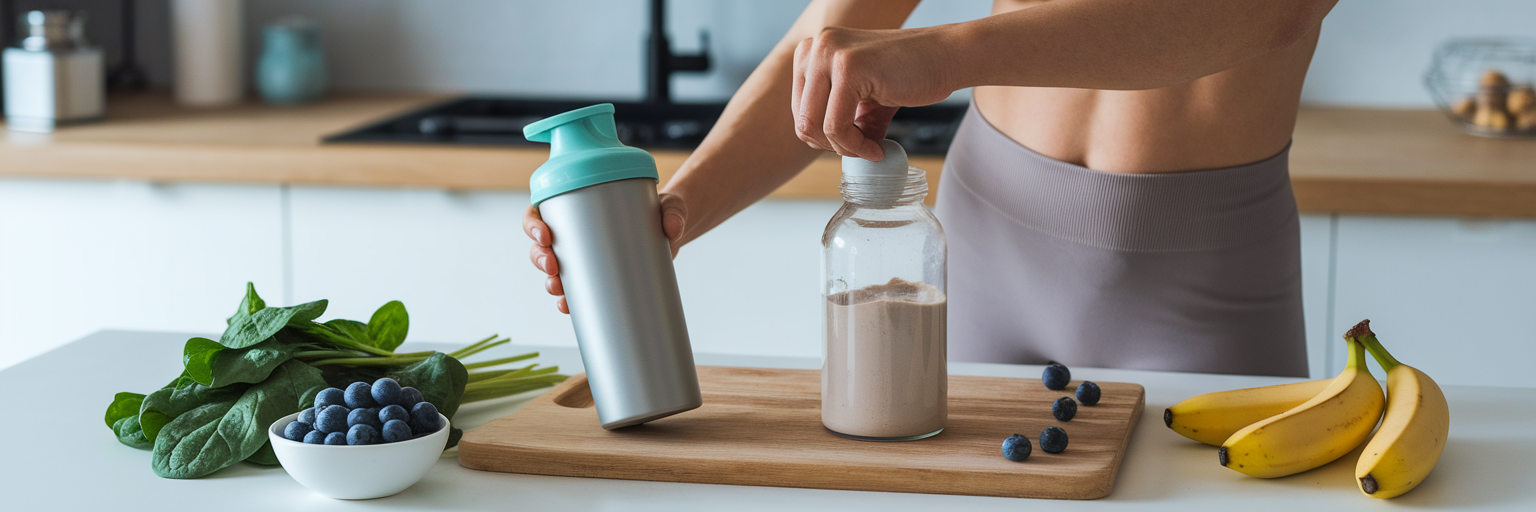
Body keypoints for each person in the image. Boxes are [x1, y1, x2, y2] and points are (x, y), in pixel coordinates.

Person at [524, 0, 1339, 377]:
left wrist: (947, 53)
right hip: (980, 253)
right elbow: (826, 44)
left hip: (1202, 284)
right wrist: (678, 209)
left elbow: (1273, 12)